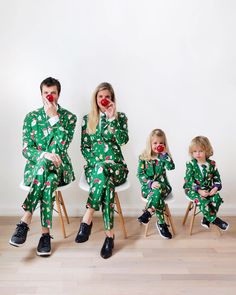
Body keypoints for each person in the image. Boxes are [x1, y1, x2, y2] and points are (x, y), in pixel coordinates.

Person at [9, 77, 77, 256]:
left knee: (51, 173)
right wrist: (44, 155)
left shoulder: (69, 118)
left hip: (61, 168)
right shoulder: (31, 117)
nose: (49, 96)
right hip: (36, 170)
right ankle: (45, 236)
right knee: (49, 179)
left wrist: (54, 118)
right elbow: (26, 149)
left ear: (59, 94)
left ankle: (25, 220)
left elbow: (61, 146)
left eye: (53, 93)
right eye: (46, 93)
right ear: (41, 95)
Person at [75, 82, 129, 259]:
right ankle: (109, 236)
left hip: (117, 167)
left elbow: (122, 141)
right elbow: (84, 148)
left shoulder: (120, 117)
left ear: (112, 99)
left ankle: (88, 216)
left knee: (104, 174)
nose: (104, 99)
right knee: (106, 183)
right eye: (100, 96)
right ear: (95, 98)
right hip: (96, 169)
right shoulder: (87, 119)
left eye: (107, 96)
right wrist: (98, 163)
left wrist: (112, 119)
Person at [183, 136, 229, 230]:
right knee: (202, 200)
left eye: (200, 151)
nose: (198, 154)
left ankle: (206, 219)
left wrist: (215, 188)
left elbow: (217, 178)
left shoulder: (212, 164)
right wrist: (199, 190)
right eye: (195, 151)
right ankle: (214, 220)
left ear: (207, 150)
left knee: (217, 198)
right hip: (193, 190)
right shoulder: (191, 164)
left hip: (208, 189)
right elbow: (188, 180)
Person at [137, 129, 175, 239]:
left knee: (158, 189)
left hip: (164, 187)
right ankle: (161, 223)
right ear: (150, 144)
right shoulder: (143, 157)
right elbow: (140, 174)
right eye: (155, 143)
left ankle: (149, 211)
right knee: (156, 194)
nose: (158, 145)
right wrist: (150, 183)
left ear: (164, 144)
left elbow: (171, 167)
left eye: (161, 143)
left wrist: (165, 155)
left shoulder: (164, 157)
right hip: (148, 188)